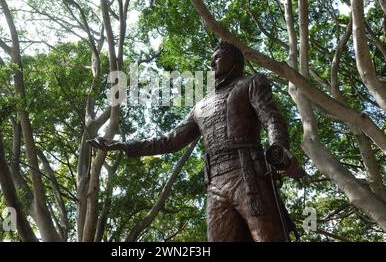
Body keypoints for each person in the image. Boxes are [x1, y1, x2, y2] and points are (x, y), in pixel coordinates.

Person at [89, 41, 305, 242]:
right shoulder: (201, 106)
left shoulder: (250, 83)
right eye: (211, 59)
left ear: (235, 61)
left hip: (248, 174)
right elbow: (170, 141)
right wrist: (124, 145)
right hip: (215, 185)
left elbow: (271, 117)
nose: (212, 63)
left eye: (218, 57)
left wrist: (278, 148)